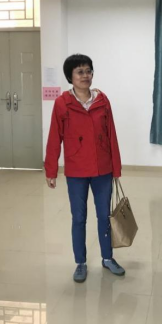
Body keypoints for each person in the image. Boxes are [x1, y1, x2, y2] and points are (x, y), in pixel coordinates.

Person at [44, 54, 125, 283]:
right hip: (76, 171)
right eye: (80, 71)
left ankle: (108, 258)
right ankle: (80, 262)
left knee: (104, 216)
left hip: (102, 170)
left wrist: (116, 168)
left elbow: (111, 135)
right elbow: (54, 138)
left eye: (88, 71)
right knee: (79, 218)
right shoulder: (63, 103)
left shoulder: (102, 101)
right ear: (70, 76)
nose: (85, 75)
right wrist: (51, 170)